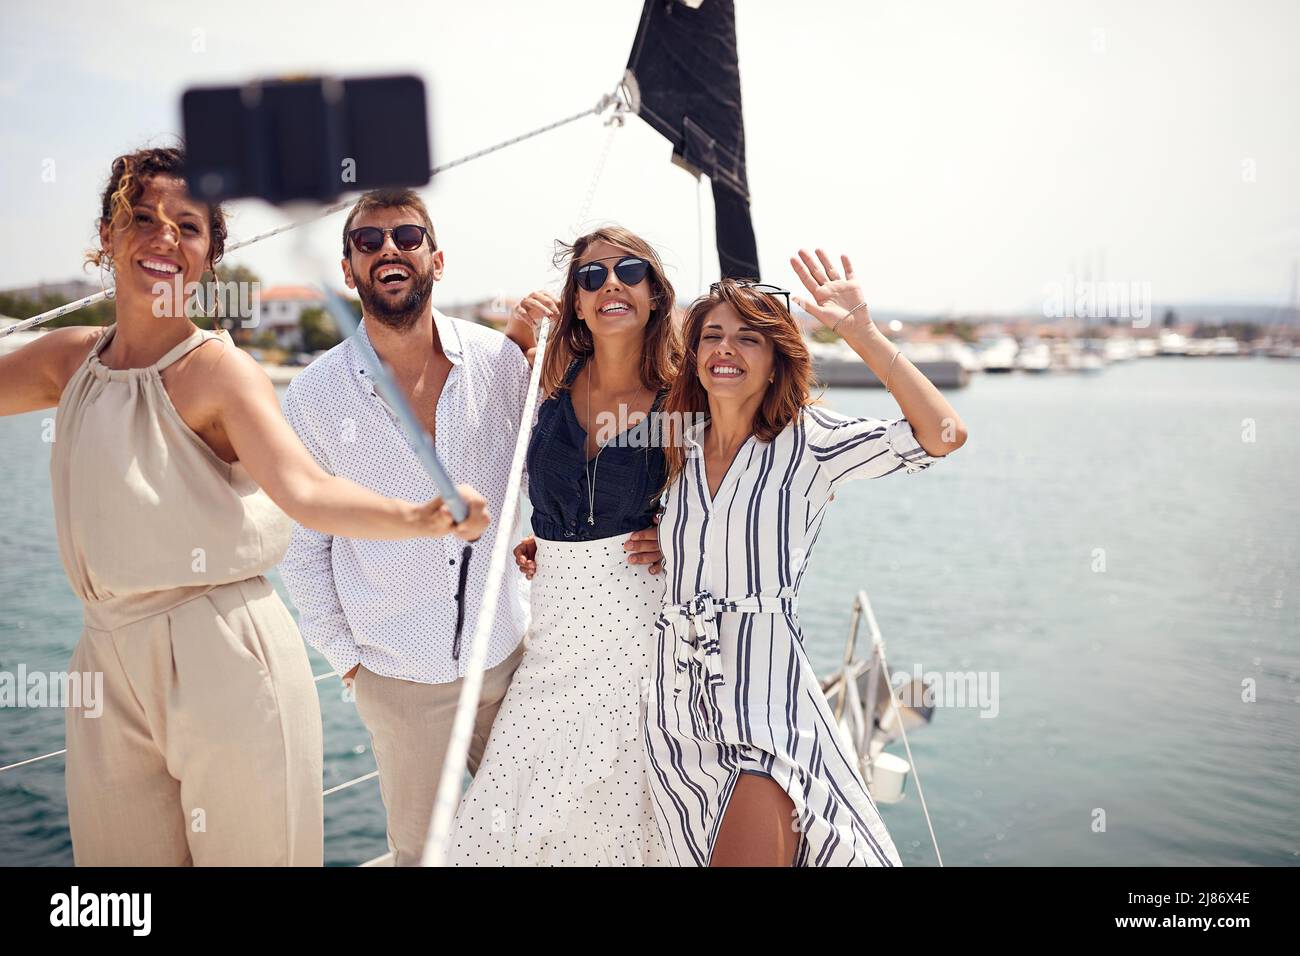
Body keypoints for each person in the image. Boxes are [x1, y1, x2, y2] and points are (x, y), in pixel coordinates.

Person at [0, 147, 487, 866]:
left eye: (188, 227)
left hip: (224, 656)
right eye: (141, 218)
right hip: (104, 656)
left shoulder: (219, 371)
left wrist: (419, 517)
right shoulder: (66, 362)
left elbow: (307, 490)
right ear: (107, 236)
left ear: (209, 254)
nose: (164, 238)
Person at [644, 251, 969, 866]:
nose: (726, 348)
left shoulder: (809, 441)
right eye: (712, 334)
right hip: (677, 697)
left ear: (776, 360)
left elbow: (944, 435)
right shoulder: (673, 442)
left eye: (749, 338)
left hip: (766, 693)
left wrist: (861, 332)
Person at [278, 189, 538, 866]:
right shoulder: (312, 395)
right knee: (422, 856)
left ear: (437, 258)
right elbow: (303, 548)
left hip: (507, 663)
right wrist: (352, 663)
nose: (388, 249)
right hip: (397, 681)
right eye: (369, 242)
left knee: (539, 838)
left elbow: (547, 484)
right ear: (348, 269)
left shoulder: (502, 364)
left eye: (407, 236)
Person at [446, 226, 676, 865]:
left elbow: (727, 495)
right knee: (507, 807)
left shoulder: (686, 395)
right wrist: (518, 333)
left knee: (623, 804)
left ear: (655, 294)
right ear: (574, 301)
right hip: (552, 629)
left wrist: (680, 533)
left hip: (639, 631)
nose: (611, 285)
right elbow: (469, 422)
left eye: (630, 271)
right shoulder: (549, 376)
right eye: (591, 276)